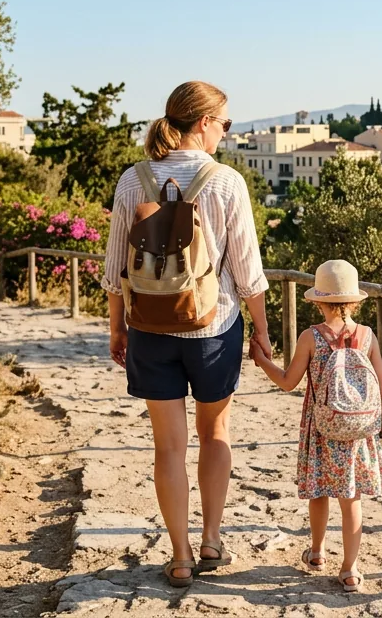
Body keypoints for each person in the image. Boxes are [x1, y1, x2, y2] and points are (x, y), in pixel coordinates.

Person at [102, 82, 273, 588]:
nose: (225, 132)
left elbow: (115, 271)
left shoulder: (132, 182)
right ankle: (212, 540)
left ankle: (179, 557)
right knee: (215, 433)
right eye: (224, 123)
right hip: (214, 328)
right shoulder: (224, 182)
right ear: (202, 123)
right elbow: (249, 273)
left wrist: (117, 329)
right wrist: (262, 331)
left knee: (168, 447)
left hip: (150, 329)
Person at [254, 260, 382, 592]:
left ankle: (316, 552)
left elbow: (288, 382)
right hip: (357, 432)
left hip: (322, 428)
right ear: (355, 301)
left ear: (317, 300)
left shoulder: (311, 337)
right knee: (351, 499)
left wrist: (261, 361)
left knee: (320, 492)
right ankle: (350, 569)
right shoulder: (368, 337)